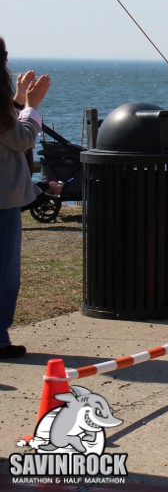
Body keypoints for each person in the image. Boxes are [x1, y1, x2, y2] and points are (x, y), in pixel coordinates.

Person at [1, 36, 51, 358]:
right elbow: (19, 139)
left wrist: (18, 101)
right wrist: (31, 108)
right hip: (2, 200)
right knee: (5, 273)